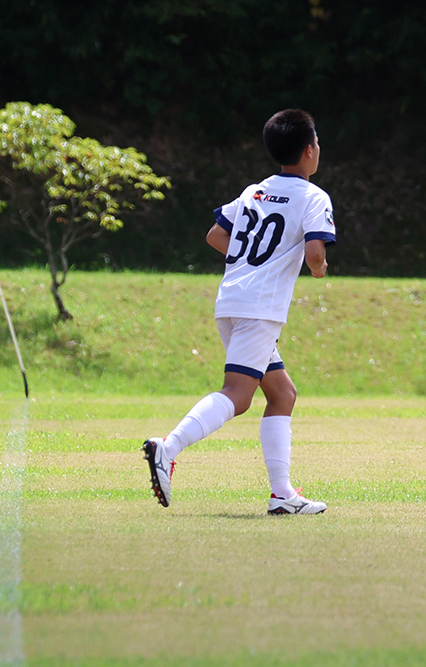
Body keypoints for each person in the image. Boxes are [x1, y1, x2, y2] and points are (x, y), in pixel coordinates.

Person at [142, 109, 335, 515]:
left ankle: (282, 495)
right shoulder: (314, 197)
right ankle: (168, 447)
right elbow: (316, 254)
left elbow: (216, 234)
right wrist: (318, 269)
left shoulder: (255, 191)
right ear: (308, 150)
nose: (319, 148)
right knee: (238, 395)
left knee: (282, 394)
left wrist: (254, 263)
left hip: (231, 300)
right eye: (317, 142)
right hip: (260, 309)